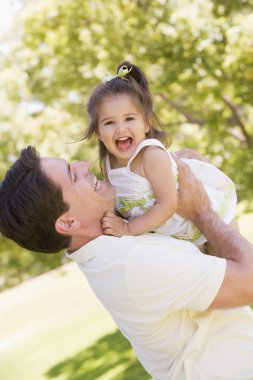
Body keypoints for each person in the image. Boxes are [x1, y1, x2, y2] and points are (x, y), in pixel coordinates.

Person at [1, 146, 253, 379]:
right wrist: (204, 210)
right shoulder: (132, 262)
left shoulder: (118, 241)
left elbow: (217, 266)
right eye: (73, 176)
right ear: (68, 223)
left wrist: (205, 188)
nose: (85, 165)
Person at [84, 61, 237, 246]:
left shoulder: (151, 155)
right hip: (178, 237)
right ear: (99, 132)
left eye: (129, 119)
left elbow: (168, 205)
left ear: (146, 123)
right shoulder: (108, 164)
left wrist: (127, 229)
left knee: (240, 268)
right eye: (109, 123)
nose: (120, 128)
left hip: (207, 222)